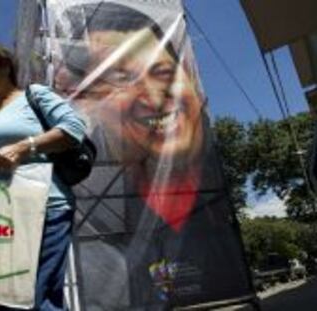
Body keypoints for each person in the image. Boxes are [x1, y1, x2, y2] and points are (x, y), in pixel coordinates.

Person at [46, 2, 252, 309]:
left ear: (191, 81)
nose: (155, 97)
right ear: (88, 102)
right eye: (121, 78)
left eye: (163, 71)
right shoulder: (89, 223)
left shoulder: (215, 201)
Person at [0, 37, 86, 310]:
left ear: (4, 66)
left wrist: (23, 146)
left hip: (37, 207)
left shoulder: (33, 96)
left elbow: (74, 127)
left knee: (32, 300)